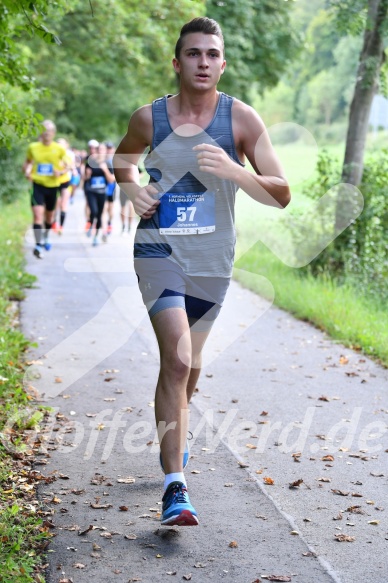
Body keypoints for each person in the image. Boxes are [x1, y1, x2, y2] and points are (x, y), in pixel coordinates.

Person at [114, 17, 290, 527]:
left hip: (213, 260)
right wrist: (132, 189)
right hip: (158, 250)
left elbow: (280, 193)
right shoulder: (150, 119)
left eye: (212, 54)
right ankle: (175, 488)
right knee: (176, 359)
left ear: (223, 63)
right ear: (177, 62)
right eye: (194, 54)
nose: (203, 63)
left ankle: (176, 436)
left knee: (188, 371)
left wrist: (236, 170)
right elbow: (123, 160)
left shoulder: (241, 120)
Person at [23, 120, 69, 258]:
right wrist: (26, 171)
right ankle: (38, 245)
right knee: (37, 215)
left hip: (53, 187)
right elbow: (27, 162)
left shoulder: (59, 149)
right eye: (44, 130)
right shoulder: (33, 147)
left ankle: (46, 235)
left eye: (49, 131)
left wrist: (60, 172)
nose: (46, 133)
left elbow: (68, 165)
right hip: (37, 185)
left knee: (49, 217)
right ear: (41, 132)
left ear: (53, 133)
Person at [84, 142, 115, 246]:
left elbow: (111, 180)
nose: (100, 152)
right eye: (99, 150)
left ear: (105, 151)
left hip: (102, 192)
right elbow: (85, 178)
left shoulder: (108, 163)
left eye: (103, 150)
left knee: (100, 214)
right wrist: (87, 175)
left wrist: (105, 170)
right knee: (93, 211)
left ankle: (96, 236)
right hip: (91, 191)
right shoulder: (90, 162)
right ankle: (90, 225)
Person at [54, 138, 76, 234]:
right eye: (58, 144)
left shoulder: (68, 155)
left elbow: (71, 166)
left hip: (65, 181)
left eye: (62, 144)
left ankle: (61, 227)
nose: (60, 146)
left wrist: (63, 171)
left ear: (66, 145)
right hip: (54, 182)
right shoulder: (53, 153)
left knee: (63, 204)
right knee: (55, 204)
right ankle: (54, 222)